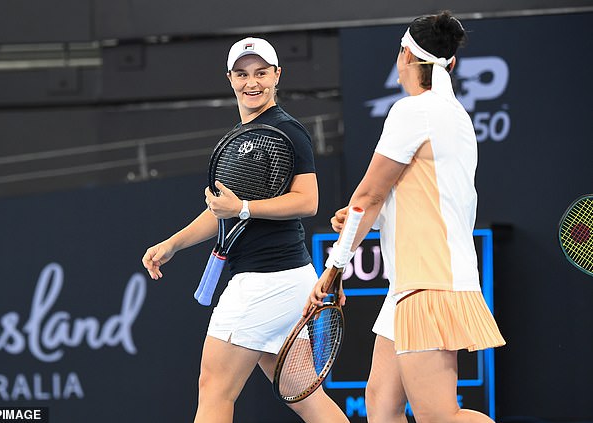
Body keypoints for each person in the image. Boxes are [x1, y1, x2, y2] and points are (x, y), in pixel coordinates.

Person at [306, 12, 506, 423]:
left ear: (405, 56)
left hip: (427, 282)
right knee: (381, 405)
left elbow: (370, 193)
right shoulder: (456, 117)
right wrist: (368, 219)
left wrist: (334, 269)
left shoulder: (413, 112)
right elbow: (415, 200)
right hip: (416, 282)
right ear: (449, 64)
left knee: (439, 416)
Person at [142, 37, 348, 423]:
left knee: (214, 390)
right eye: (242, 74)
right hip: (290, 280)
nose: (252, 83)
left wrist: (244, 207)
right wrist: (173, 243)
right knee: (306, 399)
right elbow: (223, 212)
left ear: (277, 76)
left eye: (261, 73)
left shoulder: (288, 131)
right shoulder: (240, 136)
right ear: (230, 79)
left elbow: (308, 201)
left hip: (264, 282)